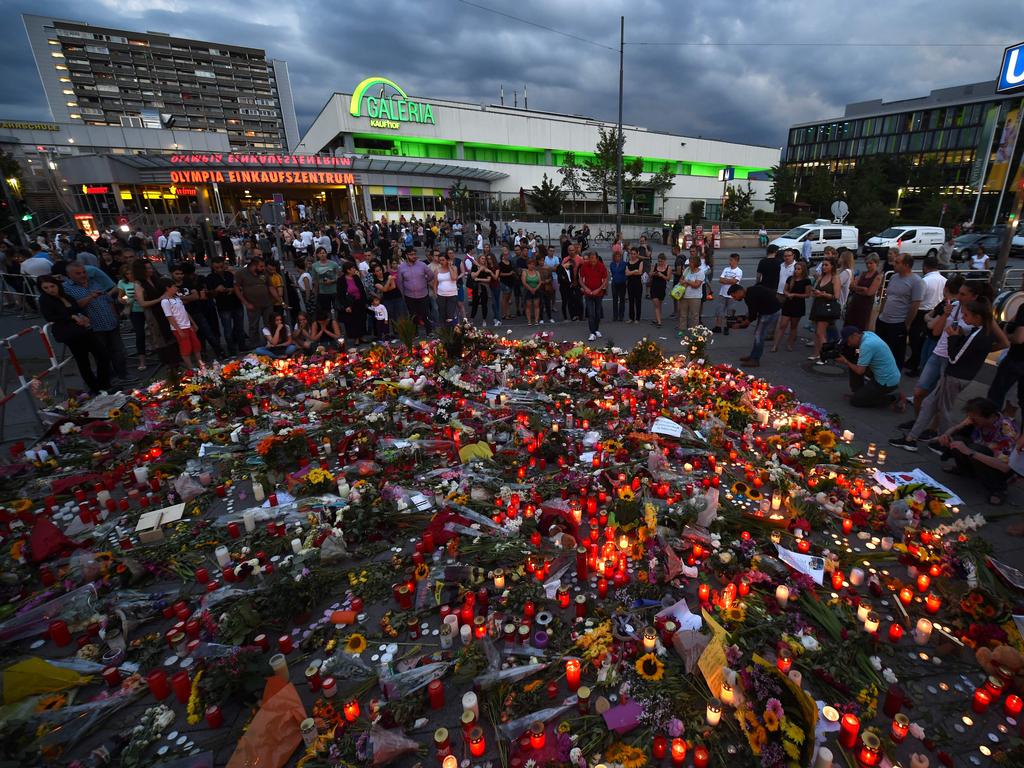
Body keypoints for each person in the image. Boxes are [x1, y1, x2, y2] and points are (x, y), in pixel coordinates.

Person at [891, 297, 1000, 452]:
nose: (963, 318)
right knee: (929, 404)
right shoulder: (981, 332)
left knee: (945, 409)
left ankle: (943, 442)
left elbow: (955, 357)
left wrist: (952, 337)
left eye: (967, 315)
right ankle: (911, 438)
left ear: (978, 317)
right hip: (956, 374)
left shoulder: (979, 335)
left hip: (956, 376)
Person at [931, 398, 1019, 506]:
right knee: (957, 440)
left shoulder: (1007, 431)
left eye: (974, 419)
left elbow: (1006, 467)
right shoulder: (974, 419)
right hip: (980, 453)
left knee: (975, 450)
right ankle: (965, 470)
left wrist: (970, 452)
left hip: (1000, 468)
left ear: (990, 417)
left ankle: (998, 489)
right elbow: (957, 428)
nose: (971, 421)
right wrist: (946, 435)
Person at [37, 275, 111, 394]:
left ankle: (103, 384)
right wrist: (71, 317)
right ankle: (96, 387)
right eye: (46, 288)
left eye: (52, 286)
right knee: (83, 361)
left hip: (83, 329)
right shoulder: (45, 300)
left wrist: (83, 317)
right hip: (71, 333)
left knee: (102, 354)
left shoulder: (65, 295)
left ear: (57, 285)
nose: (50, 290)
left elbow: (77, 308)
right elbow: (50, 317)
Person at [62, 262, 129, 383]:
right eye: (78, 273)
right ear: (69, 275)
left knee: (119, 350)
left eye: (84, 272)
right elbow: (73, 307)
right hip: (94, 327)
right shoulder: (67, 289)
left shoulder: (93, 282)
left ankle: (123, 374)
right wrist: (90, 297)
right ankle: (110, 379)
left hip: (110, 322)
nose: (83, 275)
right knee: (102, 354)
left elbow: (108, 300)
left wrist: (115, 316)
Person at [875, 253, 923, 370]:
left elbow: (915, 305)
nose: (893, 264)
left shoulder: (916, 281)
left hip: (897, 322)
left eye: (897, 262)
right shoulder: (893, 277)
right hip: (883, 320)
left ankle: (893, 375)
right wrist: (880, 313)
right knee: (880, 348)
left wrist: (906, 324)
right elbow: (887, 296)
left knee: (895, 352)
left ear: (906, 265)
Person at [835, 325, 901, 408]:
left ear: (855, 335)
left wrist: (845, 361)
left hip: (886, 381)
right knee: (854, 363)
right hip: (883, 374)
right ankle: (860, 393)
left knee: (856, 401)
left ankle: (894, 398)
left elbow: (860, 371)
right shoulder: (867, 334)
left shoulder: (867, 345)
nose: (848, 344)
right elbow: (858, 352)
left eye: (848, 341)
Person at [906, 256, 947, 374]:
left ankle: (916, 365)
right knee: (925, 341)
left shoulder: (925, 281)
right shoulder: (944, 280)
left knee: (915, 340)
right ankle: (916, 362)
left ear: (925, 267)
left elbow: (917, 299)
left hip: (922, 312)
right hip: (935, 312)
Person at [988, 289, 1024, 418]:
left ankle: (990, 426)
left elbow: (1019, 338)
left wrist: (1006, 335)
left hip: (1017, 359)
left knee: (996, 393)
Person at [729, 282, 780, 368]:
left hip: (770, 312)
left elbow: (752, 316)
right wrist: (744, 318)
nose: (735, 299)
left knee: (759, 336)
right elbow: (752, 311)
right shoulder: (750, 291)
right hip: (768, 310)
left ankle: (755, 360)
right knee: (758, 334)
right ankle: (753, 356)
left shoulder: (750, 296)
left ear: (739, 291)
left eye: (734, 296)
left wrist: (740, 325)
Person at [160, 280, 203, 370]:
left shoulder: (177, 298)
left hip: (188, 326)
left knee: (196, 345)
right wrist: (179, 330)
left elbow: (185, 311)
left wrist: (193, 323)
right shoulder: (165, 301)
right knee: (185, 349)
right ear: (168, 288)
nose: (177, 288)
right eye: (174, 286)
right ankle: (190, 369)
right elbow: (169, 317)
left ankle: (201, 364)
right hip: (180, 328)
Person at [772, 261, 811, 353]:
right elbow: (785, 290)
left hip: (798, 305)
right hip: (788, 303)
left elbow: (807, 294)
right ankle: (775, 345)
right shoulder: (790, 279)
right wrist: (788, 294)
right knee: (783, 325)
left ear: (803, 270)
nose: (796, 271)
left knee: (793, 326)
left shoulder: (806, 281)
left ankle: (790, 344)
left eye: (799, 269)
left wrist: (795, 295)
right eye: (795, 268)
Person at [808, 257, 841, 363]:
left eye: (826, 265)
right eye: (823, 265)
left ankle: (824, 356)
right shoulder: (821, 277)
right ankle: (817, 353)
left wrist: (822, 294)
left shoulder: (835, 278)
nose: (824, 267)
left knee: (820, 332)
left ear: (832, 266)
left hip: (827, 307)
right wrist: (814, 292)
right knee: (817, 332)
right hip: (818, 305)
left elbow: (836, 296)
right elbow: (814, 290)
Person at [116, 263, 146, 371]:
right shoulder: (122, 283)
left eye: (131, 273)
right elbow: (120, 297)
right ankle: (142, 360)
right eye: (127, 274)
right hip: (135, 310)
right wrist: (123, 300)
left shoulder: (141, 280)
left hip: (147, 308)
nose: (130, 276)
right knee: (140, 334)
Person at [396, 248, 434, 333]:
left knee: (425, 313)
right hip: (409, 296)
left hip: (423, 295)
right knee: (413, 315)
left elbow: (431, 275)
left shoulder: (422, 265)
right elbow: (399, 282)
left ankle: (429, 332)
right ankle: (415, 333)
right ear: (406, 256)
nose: (414, 256)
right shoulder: (401, 267)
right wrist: (403, 294)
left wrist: (425, 281)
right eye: (411, 254)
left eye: (414, 254)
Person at [579, 251, 608, 342]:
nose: (592, 260)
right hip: (588, 293)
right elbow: (580, 279)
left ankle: (596, 329)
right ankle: (592, 333)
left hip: (598, 293)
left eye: (593, 258)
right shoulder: (585, 265)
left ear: (597, 258)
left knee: (598, 313)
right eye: (590, 258)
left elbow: (605, 279)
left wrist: (598, 289)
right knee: (591, 313)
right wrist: (585, 288)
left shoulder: (601, 266)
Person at [712, 253, 742, 335]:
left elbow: (735, 282)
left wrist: (725, 280)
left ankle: (727, 327)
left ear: (736, 261)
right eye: (729, 260)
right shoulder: (726, 269)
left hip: (732, 295)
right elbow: (720, 280)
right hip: (722, 293)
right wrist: (729, 280)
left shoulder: (739, 271)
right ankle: (718, 326)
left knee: (730, 313)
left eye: (731, 260)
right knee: (719, 311)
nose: (729, 262)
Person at [339, 262, 369, 342]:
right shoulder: (341, 280)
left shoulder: (356, 277)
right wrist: (346, 306)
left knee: (362, 319)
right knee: (353, 321)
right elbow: (341, 294)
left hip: (360, 302)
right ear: (348, 270)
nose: (354, 269)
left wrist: (365, 302)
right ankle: (356, 338)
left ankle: (361, 336)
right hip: (350, 303)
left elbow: (362, 289)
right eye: (353, 268)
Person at [678, 253, 707, 332]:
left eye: (691, 262)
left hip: (695, 297)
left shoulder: (700, 273)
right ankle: (682, 330)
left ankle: (694, 332)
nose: (689, 264)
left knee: (694, 316)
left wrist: (687, 281)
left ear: (695, 263)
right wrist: (684, 281)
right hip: (684, 295)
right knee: (683, 315)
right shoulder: (687, 270)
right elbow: (681, 280)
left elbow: (696, 285)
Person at [312, 247, 339, 317]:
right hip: (323, 291)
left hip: (334, 290)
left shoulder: (334, 264)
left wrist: (332, 281)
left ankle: (337, 323)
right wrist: (315, 292)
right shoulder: (314, 266)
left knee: (337, 309)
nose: (322, 255)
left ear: (326, 254)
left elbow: (339, 276)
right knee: (326, 310)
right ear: (317, 255)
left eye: (323, 253)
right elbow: (315, 279)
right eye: (320, 253)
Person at [434, 252, 460, 328]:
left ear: (447, 260)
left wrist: (449, 266)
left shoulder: (454, 268)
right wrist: (436, 295)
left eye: (443, 260)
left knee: (450, 316)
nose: (441, 262)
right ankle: (443, 333)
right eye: (440, 260)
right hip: (441, 295)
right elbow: (435, 283)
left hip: (452, 295)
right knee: (442, 315)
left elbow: (454, 278)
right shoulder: (437, 270)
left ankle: (451, 332)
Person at [649, 253, 670, 327]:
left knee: (659, 305)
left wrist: (662, 275)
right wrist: (654, 273)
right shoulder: (654, 266)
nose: (659, 263)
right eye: (659, 261)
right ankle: (659, 322)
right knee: (656, 305)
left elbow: (668, 278)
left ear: (664, 261)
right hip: (654, 287)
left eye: (661, 261)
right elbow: (650, 274)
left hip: (662, 288)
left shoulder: (668, 267)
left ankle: (657, 319)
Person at [625, 246, 644, 323]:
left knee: (638, 301)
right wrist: (634, 271)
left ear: (637, 254)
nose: (632, 255)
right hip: (630, 284)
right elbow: (627, 273)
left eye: (634, 254)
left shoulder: (640, 262)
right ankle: (631, 317)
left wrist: (631, 272)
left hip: (638, 284)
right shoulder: (628, 263)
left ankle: (637, 318)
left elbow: (640, 272)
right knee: (631, 301)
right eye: (631, 254)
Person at [498, 248, 517, 322]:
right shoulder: (501, 264)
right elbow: (500, 274)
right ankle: (504, 314)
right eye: (505, 255)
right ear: (502, 256)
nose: (507, 256)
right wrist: (509, 273)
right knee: (504, 299)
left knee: (508, 298)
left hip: (510, 281)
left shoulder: (510, 262)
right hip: (504, 282)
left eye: (507, 254)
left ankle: (508, 313)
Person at [521, 256, 542, 326]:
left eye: (533, 264)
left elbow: (540, 282)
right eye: (530, 264)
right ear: (527, 265)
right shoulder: (525, 272)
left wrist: (535, 289)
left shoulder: (537, 272)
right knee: (528, 306)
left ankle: (536, 320)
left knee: (536, 306)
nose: (531, 266)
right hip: (527, 291)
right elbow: (524, 282)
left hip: (536, 291)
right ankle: (529, 321)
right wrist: (530, 289)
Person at [609, 249, 628, 322]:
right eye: (616, 256)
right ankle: (615, 316)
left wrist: (624, 279)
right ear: (614, 257)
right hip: (614, 283)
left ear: (621, 257)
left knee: (622, 300)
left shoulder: (624, 264)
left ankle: (621, 316)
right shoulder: (612, 264)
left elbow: (626, 273)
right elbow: (612, 274)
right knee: (615, 300)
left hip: (622, 283)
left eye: (619, 256)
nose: (617, 258)